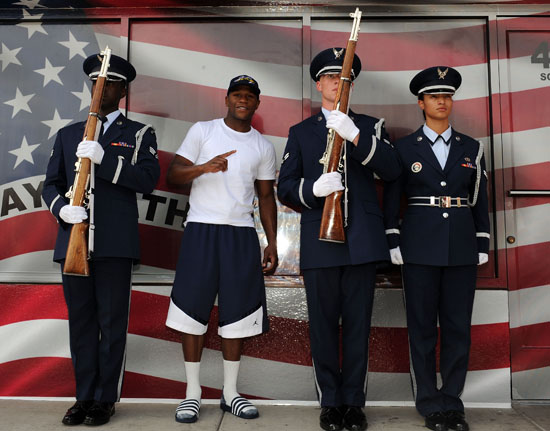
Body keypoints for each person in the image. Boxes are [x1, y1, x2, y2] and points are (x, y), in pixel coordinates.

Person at [277, 48, 401, 431]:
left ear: (350, 83)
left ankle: (354, 402)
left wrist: (357, 137)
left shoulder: (372, 126)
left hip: (362, 240)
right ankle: (330, 401)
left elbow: (394, 170)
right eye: (330, 77)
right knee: (324, 325)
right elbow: (284, 187)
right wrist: (312, 189)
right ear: (319, 84)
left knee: (359, 326)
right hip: (319, 240)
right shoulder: (300, 133)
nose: (336, 82)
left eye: (343, 77)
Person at [42, 53, 160, 426]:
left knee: (111, 325)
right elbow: (51, 185)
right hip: (73, 242)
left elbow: (146, 181)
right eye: (96, 81)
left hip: (114, 245)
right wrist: (61, 209)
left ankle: (105, 399)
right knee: (81, 324)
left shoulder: (138, 133)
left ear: (123, 90)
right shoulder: (67, 134)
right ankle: (83, 397)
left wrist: (105, 160)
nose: (101, 88)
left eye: (109, 82)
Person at [164, 74, 278, 424]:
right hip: (200, 229)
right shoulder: (204, 130)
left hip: (241, 234)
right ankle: (193, 393)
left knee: (240, 313)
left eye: (250, 96)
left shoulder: (262, 145)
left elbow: (265, 196)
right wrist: (204, 167)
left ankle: (230, 393)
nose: (243, 100)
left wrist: (272, 242)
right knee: (190, 310)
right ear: (226, 99)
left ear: (257, 103)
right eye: (237, 95)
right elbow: (173, 175)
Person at [383, 66, 490, 431]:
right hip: (418, 246)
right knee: (423, 327)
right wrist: (393, 238)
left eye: (447, 96)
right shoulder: (403, 148)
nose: (442, 101)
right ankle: (430, 402)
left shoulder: (471, 148)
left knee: (458, 327)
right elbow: (393, 199)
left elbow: (480, 199)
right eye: (434, 96)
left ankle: (452, 401)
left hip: (460, 245)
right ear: (421, 103)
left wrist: (482, 239)